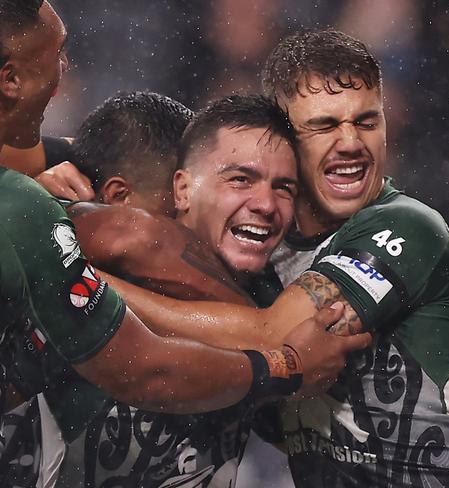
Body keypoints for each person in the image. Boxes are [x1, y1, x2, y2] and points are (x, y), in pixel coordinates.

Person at [0, 1, 372, 485]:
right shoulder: (14, 214)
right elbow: (146, 368)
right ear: (10, 80)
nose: (64, 71)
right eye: (57, 54)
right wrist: (281, 364)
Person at [105, 29, 449, 486]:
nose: (351, 143)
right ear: (284, 141)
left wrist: (85, 286)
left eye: (367, 122)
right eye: (325, 126)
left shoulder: (407, 226)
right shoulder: (262, 251)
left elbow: (272, 336)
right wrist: (56, 162)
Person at [38, 93, 301, 487]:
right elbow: (132, 234)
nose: (182, 211)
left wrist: (90, 280)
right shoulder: (56, 236)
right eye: (239, 179)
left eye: (283, 187)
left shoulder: (269, 281)